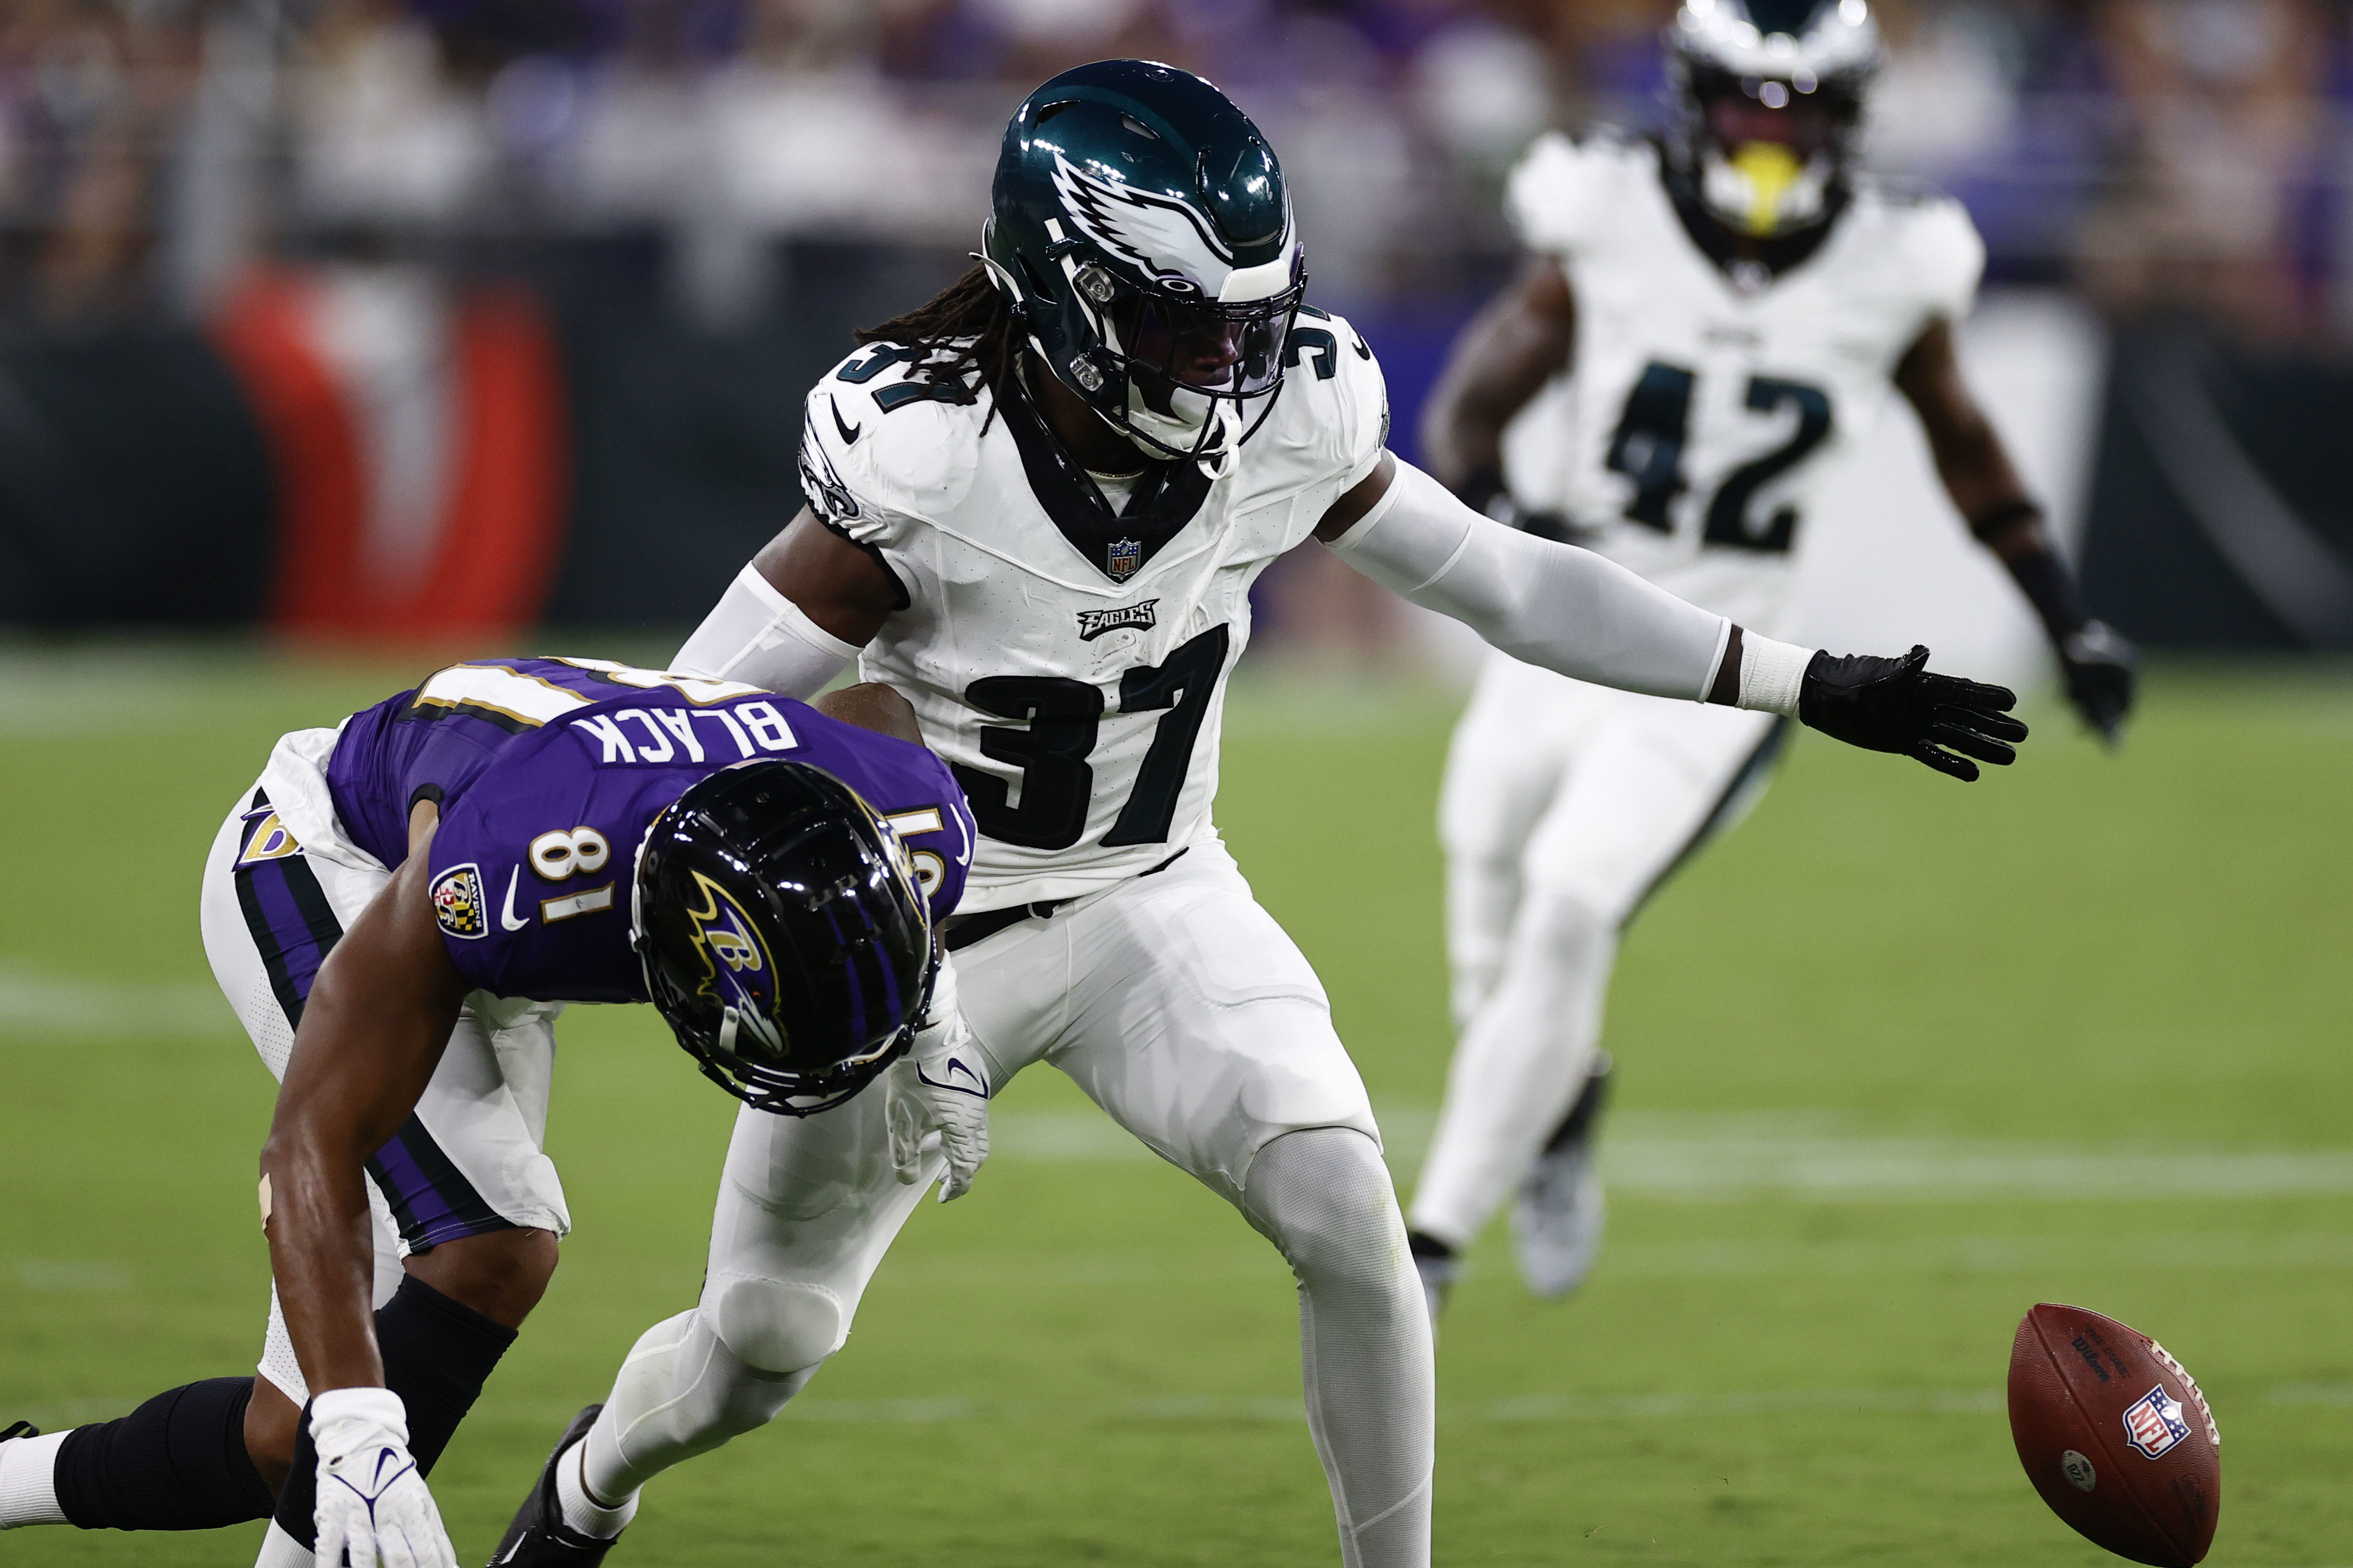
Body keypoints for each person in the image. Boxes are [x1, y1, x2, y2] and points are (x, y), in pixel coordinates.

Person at [488, 58, 2026, 1568]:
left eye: (1247, 320)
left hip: (1155, 893)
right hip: (924, 933)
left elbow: (1508, 581)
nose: (1225, 365)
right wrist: (888, 956)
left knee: (1349, 1211)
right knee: (763, 1345)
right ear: (1063, 293)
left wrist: (1796, 680)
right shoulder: (928, 460)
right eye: (1177, 323)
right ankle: (592, 1486)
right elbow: (702, 734)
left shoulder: (1286, 413)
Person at [1401, 0, 2135, 1318]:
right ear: (1695, 101)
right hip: (1567, 634)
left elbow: (1964, 445)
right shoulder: (1606, 211)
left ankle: (1433, 1244)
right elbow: (1471, 406)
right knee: (1486, 928)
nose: (1769, 139)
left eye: (1798, 114)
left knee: (1573, 904)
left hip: (1718, 666)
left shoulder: (1892, 262)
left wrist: (2063, 609)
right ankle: (1559, 1117)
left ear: (1849, 120)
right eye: (1748, 107)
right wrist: (1506, 515)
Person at [0, 658, 983, 1568]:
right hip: (336, 857)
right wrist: (356, 1417)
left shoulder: (919, 822)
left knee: (281, 1442)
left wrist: (927, 1001)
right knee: (486, 1252)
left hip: (536, 847)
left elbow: (876, 712)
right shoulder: (517, 868)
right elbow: (315, 1138)